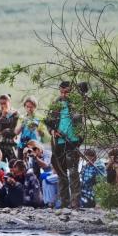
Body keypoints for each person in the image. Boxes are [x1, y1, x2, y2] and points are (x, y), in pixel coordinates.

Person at [44, 81, 82, 209]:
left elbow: (82, 125)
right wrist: (53, 131)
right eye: (62, 92)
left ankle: (75, 202)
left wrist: (80, 139)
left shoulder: (77, 104)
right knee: (61, 172)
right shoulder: (56, 103)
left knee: (73, 172)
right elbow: (48, 122)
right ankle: (64, 202)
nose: (64, 94)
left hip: (73, 141)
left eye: (67, 92)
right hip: (59, 143)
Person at [0, 94, 19, 162]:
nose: (3, 105)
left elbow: (13, 130)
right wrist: (3, 116)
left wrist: (2, 131)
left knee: (13, 164)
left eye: (5, 103)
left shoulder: (15, 113)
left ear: (9, 102)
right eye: (1, 103)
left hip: (11, 144)